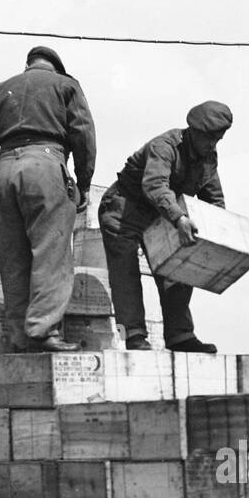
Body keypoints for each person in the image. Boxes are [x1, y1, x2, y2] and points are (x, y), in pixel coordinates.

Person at [0, 45, 96, 353]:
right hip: (45, 163)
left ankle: (20, 337)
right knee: (51, 252)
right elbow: (83, 134)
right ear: (55, 67)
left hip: (5, 169)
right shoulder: (66, 85)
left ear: (28, 65)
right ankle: (42, 331)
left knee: (14, 258)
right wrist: (85, 181)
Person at [97, 101, 233, 353]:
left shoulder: (208, 157)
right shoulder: (165, 147)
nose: (212, 145)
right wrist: (179, 218)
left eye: (218, 139)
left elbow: (214, 199)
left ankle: (180, 336)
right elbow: (155, 186)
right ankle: (134, 335)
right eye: (209, 138)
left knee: (179, 267)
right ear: (194, 131)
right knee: (125, 273)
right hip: (123, 209)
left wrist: (218, 232)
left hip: (160, 215)